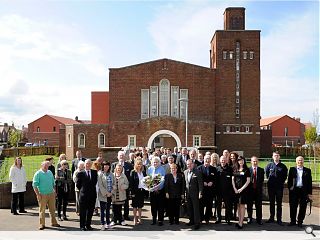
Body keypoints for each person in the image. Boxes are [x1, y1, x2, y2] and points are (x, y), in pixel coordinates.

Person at [32, 161, 60, 230]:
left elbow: (53, 183)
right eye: (45, 165)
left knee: (52, 209)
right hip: (42, 194)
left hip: (51, 194)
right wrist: (38, 195)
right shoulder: (38, 173)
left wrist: (54, 191)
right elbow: (34, 185)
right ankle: (42, 224)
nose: (46, 167)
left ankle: (54, 222)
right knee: (42, 210)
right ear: (41, 166)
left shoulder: (50, 172)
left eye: (47, 166)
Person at [287, 156, 312, 227]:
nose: (300, 162)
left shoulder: (308, 170)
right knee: (293, 206)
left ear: (303, 161)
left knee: (303, 207)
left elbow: (309, 182)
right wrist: (290, 188)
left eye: (301, 160)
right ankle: (293, 221)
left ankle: (300, 221)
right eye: (298, 160)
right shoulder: (292, 169)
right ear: (296, 161)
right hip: (294, 191)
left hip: (303, 191)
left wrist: (309, 193)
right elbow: (289, 181)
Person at [265, 151, 288, 225]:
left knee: (279, 203)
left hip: (279, 188)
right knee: (271, 203)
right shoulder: (269, 166)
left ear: (279, 157)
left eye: (277, 155)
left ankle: (279, 219)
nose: (276, 157)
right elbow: (267, 174)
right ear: (272, 157)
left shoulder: (283, 166)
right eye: (275, 155)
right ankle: (271, 218)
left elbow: (285, 176)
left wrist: (280, 182)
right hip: (271, 187)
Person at [76, 159, 98, 231]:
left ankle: (88, 225)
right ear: (84, 165)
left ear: (91, 164)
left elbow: (94, 183)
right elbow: (78, 185)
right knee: (83, 212)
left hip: (92, 196)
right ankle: (82, 226)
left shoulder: (94, 172)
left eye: (89, 163)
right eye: (86, 163)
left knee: (90, 211)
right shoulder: (80, 173)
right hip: (83, 196)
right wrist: (83, 190)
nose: (88, 165)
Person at [111, 150, 133, 221]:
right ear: (117, 157)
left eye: (123, 155)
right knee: (115, 203)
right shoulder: (114, 165)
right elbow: (111, 176)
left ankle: (126, 216)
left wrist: (127, 186)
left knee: (126, 203)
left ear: (125, 157)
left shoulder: (129, 165)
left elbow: (130, 177)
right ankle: (115, 217)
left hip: (124, 188)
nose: (121, 157)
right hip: (115, 188)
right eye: (120, 155)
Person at [232, 156, 251, 229]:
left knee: (242, 206)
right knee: (238, 206)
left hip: (243, 191)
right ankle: (239, 220)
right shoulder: (235, 169)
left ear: (244, 161)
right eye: (239, 160)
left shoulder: (247, 170)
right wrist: (234, 188)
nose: (241, 162)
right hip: (236, 191)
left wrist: (241, 189)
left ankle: (241, 222)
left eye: (242, 160)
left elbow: (248, 181)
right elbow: (232, 179)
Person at [184, 159, 203, 230]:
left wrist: (200, 192)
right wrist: (183, 193)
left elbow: (200, 184)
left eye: (190, 164)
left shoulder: (198, 172)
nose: (189, 165)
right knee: (189, 208)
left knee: (196, 209)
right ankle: (191, 221)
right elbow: (185, 184)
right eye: (188, 164)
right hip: (188, 193)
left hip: (195, 194)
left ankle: (197, 223)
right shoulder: (185, 172)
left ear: (193, 164)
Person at [147, 156, 166, 226]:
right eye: (154, 162)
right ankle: (154, 219)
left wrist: (158, 187)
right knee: (153, 206)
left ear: (159, 162)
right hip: (152, 191)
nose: (155, 163)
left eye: (156, 162)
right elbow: (148, 179)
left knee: (160, 206)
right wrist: (151, 187)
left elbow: (163, 179)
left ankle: (160, 220)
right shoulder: (149, 169)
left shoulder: (162, 169)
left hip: (160, 190)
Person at [197, 154, 216, 224]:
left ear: (210, 160)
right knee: (201, 205)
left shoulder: (213, 169)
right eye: (206, 160)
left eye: (208, 160)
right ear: (204, 160)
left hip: (210, 190)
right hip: (202, 190)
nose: (207, 161)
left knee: (209, 205)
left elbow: (215, 179)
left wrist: (212, 182)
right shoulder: (199, 168)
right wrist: (203, 182)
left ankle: (207, 218)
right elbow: (198, 179)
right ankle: (201, 218)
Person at [215, 155, 233, 225]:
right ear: (220, 160)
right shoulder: (217, 168)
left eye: (224, 160)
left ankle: (227, 218)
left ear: (226, 160)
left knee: (228, 205)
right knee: (218, 205)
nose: (223, 161)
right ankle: (218, 218)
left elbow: (232, 180)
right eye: (222, 160)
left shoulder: (230, 169)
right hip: (218, 191)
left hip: (227, 191)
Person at [247, 156, 265, 225]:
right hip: (250, 191)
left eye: (256, 161)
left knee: (259, 206)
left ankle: (259, 219)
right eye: (253, 161)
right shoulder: (248, 170)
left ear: (258, 162)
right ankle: (249, 218)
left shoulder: (261, 170)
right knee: (249, 205)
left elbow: (262, 180)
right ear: (251, 162)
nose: (255, 162)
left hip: (258, 191)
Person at [129, 159, 147, 225]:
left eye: (140, 164)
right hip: (135, 191)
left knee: (140, 206)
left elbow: (146, 182)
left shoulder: (144, 172)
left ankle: (140, 218)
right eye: (138, 164)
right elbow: (131, 183)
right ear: (136, 165)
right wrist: (132, 193)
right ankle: (135, 218)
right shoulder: (133, 172)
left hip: (141, 191)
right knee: (134, 206)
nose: (139, 165)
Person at [98, 161, 113, 230]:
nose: (106, 166)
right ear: (103, 166)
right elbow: (100, 185)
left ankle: (108, 223)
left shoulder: (111, 174)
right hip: (103, 195)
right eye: (105, 165)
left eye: (107, 165)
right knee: (102, 210)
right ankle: (102, 223)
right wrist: (106, 193)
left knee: (107, 210)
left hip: (110, 195)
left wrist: (111, 192)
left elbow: (114, 184)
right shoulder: (100, 174)